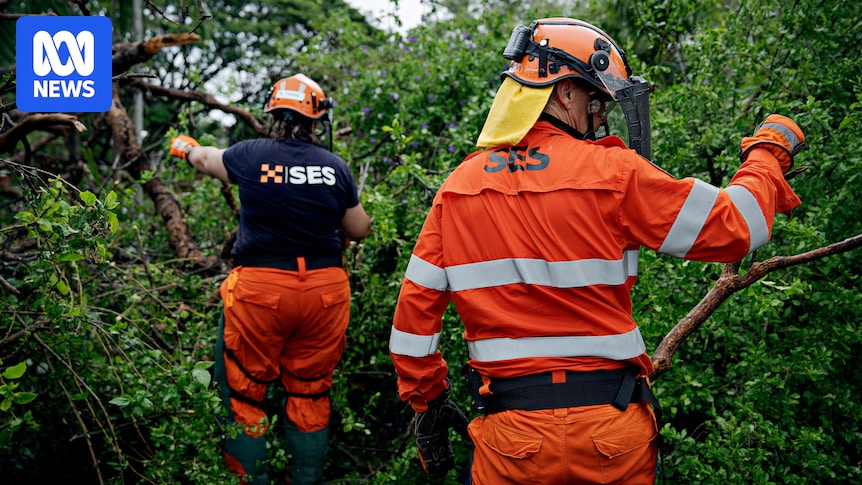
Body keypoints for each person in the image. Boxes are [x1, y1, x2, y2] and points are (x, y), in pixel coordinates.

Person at [388, 17, 804, 484]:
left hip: (511, 440)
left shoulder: (459, 188)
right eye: (596, 100)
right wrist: (768, 154)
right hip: (612, 434)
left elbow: (411, 324)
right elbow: (738, 225)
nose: (602, 114)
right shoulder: (613, 172)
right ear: (565, 93)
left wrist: (427, 399)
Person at [169, 73, 372, 485]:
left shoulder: (250, 154)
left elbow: (208, 159)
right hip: (324, 293)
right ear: (316, 120)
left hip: (261, 291)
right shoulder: (334, 167)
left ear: (273, 115)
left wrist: (185, 147)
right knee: (311, 394)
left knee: (244, 396)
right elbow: (360, 229)